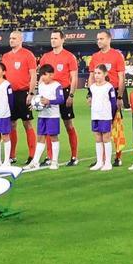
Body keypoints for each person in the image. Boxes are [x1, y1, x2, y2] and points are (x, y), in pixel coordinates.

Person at [38, 30, 80, 166]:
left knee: (68, 125)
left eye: (56, 38)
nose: (53, 40)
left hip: (64, 92)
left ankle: (74, 156)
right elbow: (41, 77)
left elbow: (74, 77)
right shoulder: (45, 57)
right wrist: (38, 94)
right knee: (49, 127)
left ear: (63, 40)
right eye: (51, 38)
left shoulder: (69, 57)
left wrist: (71, 95)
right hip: (48, 93)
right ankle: (50, 157)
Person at [91, 30, 128, 167]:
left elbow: (121, 77)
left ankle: (118, 157)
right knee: (100, 130)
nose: (99, 41)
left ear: (109, 39)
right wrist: (90, 94)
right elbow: (91, 76)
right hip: (98, 96)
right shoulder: (95, 57)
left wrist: (119, 96)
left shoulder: (117, 55)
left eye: (101, 38)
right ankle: (102, 159)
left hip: (112, 95)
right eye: (97, 39)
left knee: (115, 127)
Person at [1, 30, 38, 165]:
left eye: (14, 38)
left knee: (27, 123)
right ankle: (12, 155)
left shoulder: (28, 55)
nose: (11, 40)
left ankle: (32, 155)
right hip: (9, 94)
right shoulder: (5, 56)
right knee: (11, 124)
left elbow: (33, 75)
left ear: (21, 40)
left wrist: (31, 93)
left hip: (23, 93)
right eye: (10, 38)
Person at [23, 64, 66, 171]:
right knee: (40, 138)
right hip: (42, 115)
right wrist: (35, 105)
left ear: (51, 75)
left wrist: (49, 101)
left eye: (45, 75)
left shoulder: (57, 85)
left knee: (53, 137)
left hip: (53, 116)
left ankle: (55, 161)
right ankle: (35, 162)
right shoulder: (41, 85)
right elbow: (38, 98)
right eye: (41, 75)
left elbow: (61, 99)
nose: (43, 77)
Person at [87, 65, 117, 172]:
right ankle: (99, 162)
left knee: (106, 138)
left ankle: (108, 162)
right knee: (97, 138)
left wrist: (112, 117)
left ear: (105, 74)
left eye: (99, 73)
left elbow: (114, 104)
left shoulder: (109, 87)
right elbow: (91, 99)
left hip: (105, 116)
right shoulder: (92, 87)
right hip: (95, 115)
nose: (96, 75)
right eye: (95, 73)